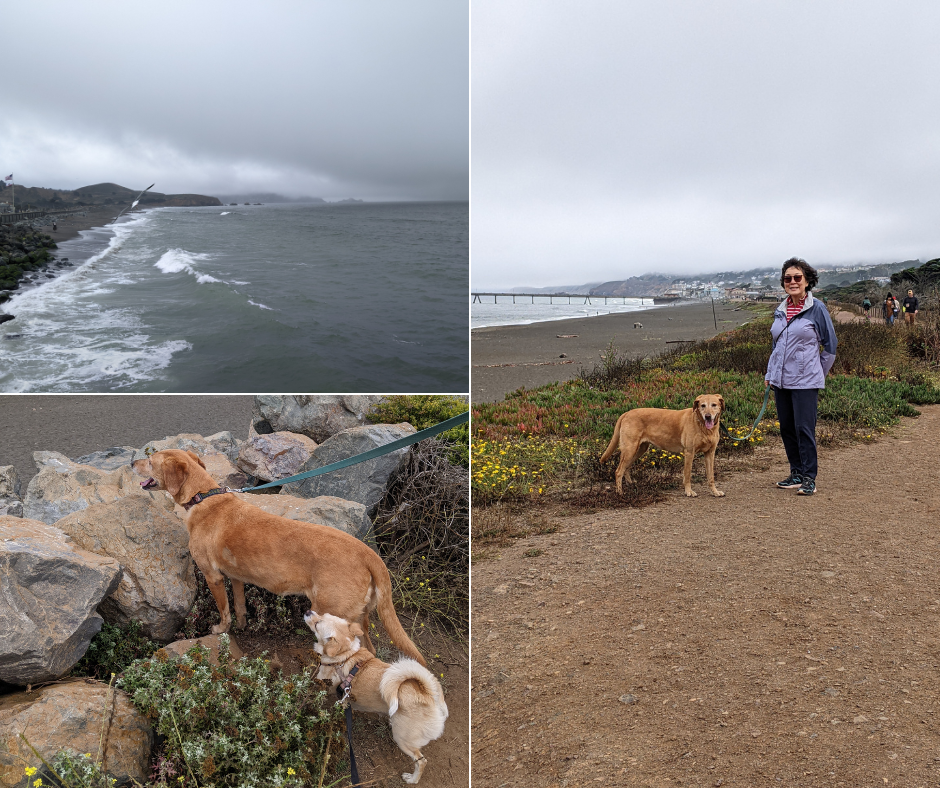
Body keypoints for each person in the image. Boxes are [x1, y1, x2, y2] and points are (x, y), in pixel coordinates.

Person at [765, 257, 837, 496]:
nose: (792, 281)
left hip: (805, 381)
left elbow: (831, 346)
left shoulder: (817, 309)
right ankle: (795, 473)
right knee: (786, 427)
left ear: (807, 281)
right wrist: (770, 373)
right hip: (781, 380)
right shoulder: (780, 309)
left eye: (797, 278)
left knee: (804, 428)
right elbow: (777, 346)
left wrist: (816, 372)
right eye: (788, 278)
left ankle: (809, 477)